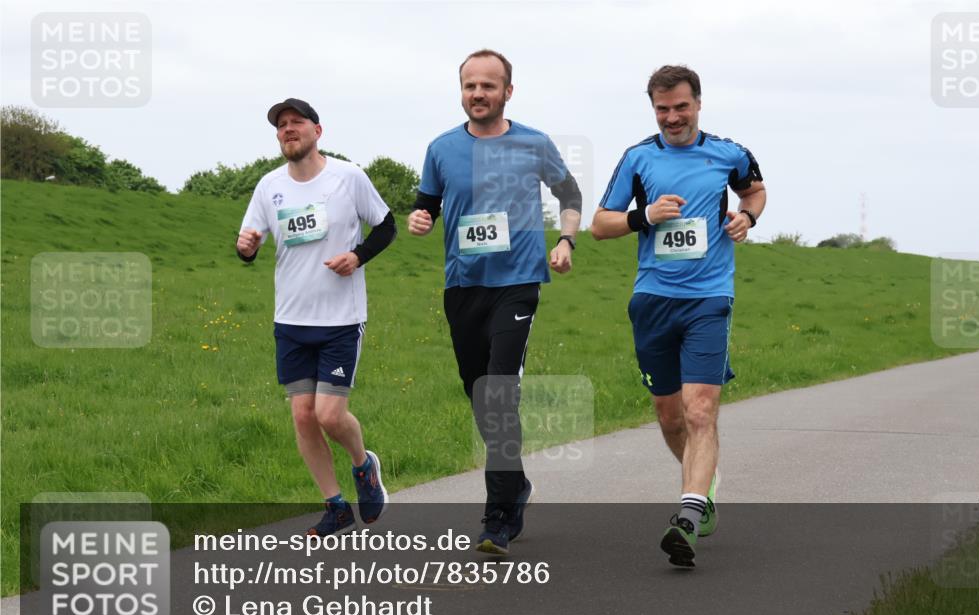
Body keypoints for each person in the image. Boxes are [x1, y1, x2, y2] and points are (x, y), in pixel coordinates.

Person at [408, 50, 582, 554]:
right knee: (480, 395)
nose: (478, 93)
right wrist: (422, 219)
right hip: (463, 286)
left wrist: (567, 240)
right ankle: (517, 483)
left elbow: (570, 195)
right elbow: (428, 205)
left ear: (508, 91)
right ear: (460, 91)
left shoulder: (532, 142)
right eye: (469, 86)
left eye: (488, 85)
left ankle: (499, 517)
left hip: (518, 281)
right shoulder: (441, 148)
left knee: (500, 392)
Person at [592, 66, 766, 567]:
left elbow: (755, 190)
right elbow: (601, 225)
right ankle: (702, 485)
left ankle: (688, 515)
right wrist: (643, 217)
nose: (672, 117)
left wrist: (746, 216)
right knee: (670, 417)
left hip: (710, 298)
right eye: (662, 109)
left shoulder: (728, 154)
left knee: (699, 411)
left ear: (698, 104)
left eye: (681, 107)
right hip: (653, 299)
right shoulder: (638, 158)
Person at [236, 98, 395, 537]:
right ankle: (335, 506)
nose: (289, 130)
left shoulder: (348, 177)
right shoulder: (269, 186)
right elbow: (248, 241)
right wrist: (246, 249)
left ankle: (364, 466)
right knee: (303, 417)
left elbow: (386, 226)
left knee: (328, 415)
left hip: (341, 319)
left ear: (317, 131)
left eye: (297, 123)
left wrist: (357, 256)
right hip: (290, 320)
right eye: (281, 125)